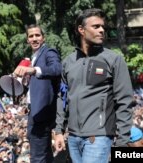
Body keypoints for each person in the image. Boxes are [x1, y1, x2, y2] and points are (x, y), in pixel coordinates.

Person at [54, 8, 134, 163]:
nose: (102, 30)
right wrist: (58, 131)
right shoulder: (68, 62)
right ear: (81, 30)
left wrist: (122, 141)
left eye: (102, 26)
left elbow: (125, 102)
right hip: (73, 139)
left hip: (99, 138)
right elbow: (62, 98)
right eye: (96, 27)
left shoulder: (114, 60)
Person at [13, 24, 61, 163]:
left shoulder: (49, 52)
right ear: (27, 40)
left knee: (37, 158)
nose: (34, 39)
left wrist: (33, 70)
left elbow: (57, 68)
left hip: (42, 113)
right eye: (31, 36)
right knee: (44, 156)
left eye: (37, 35)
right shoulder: (33, 58)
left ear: (43, 38)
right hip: (34, 111)